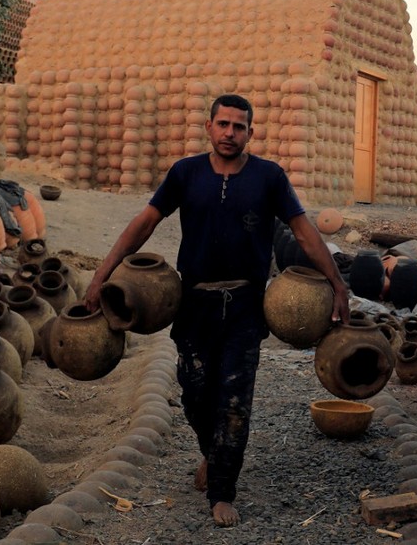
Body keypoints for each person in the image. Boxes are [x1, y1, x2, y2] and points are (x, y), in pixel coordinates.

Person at [84, 93, 350, 528]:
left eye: (239, 126)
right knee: (194, 392)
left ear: (250, 132)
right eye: (223, 124)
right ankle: (213, 451)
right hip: (194, 302)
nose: (230, 133)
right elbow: (145, 222)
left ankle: (222, 490)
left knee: (234, 401)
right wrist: (101, 275)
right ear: (208, 127)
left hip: (246, 306)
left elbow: (304, 234)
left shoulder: (269, 177)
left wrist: (338, 285)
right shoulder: (185, 173)